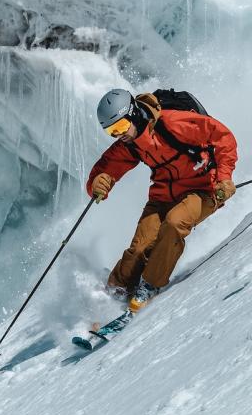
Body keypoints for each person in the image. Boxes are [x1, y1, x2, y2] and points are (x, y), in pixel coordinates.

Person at [86, 88, 238, 313]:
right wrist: (98, 183)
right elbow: (105, 168)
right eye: (111, 131)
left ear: (134, 114)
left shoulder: (174, 124)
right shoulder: (132, 142)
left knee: (175, 223)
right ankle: (114, 292)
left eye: (120, 127)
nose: (119, 135)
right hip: (163, 197)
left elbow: (223, 137)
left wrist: (224, 178)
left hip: (204, 189)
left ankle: (149, 286)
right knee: (139, 248)